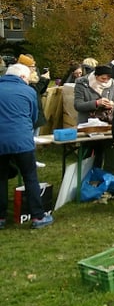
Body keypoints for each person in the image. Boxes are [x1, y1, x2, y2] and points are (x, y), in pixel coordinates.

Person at [0, 64, 54, 229]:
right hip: (22, 139)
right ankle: (37, 216)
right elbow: (33, 116)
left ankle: (1, 218)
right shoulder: (29, 91)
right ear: (23, 77)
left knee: (0, 178)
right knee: (30, 177)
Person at [17, 54, 50, 137]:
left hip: (36, 113)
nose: (34, 69)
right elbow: (33, 92)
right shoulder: (23, 78)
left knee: (35, 138)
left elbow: (40, 91)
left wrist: (46, 80)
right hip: (29, 115)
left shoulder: (34, 76)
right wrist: (43, 80)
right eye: (32, 66)